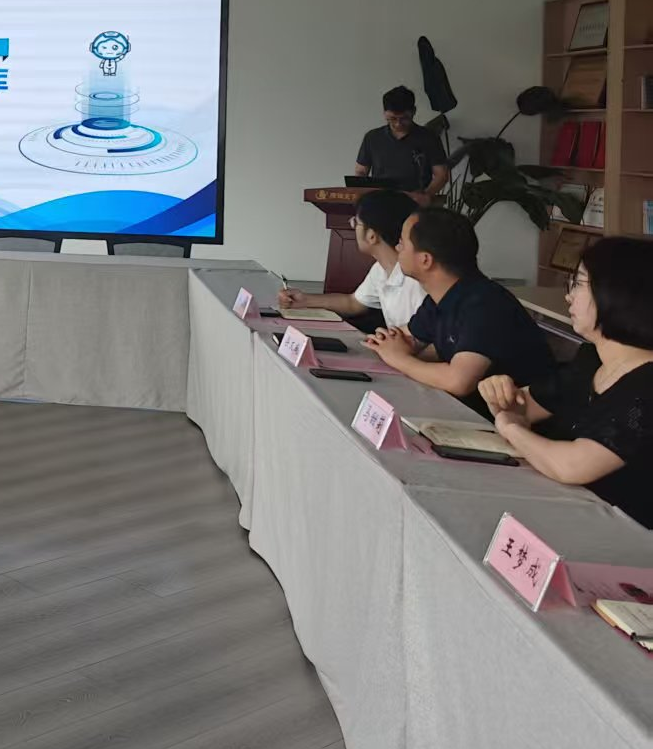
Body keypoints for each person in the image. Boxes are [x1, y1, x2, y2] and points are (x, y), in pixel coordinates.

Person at [479, 238, 653, 527]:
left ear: (618, 294)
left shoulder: (646, 385)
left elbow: (570, 466)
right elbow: (521, 406)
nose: (569, 296)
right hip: (565, 512)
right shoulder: (591, 360)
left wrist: (511, 427)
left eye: (579, 284)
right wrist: (498, 393)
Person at [363, 207, 556, 416]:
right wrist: (390, 346)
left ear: (425, 260)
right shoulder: (441, 298)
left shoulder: (485, 304)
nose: (397, 247)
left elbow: (458, 381)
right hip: (470, 412)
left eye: (402, 242)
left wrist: (398, 358)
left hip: (517, 423)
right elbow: (406, 339)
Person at [280, 189, 423, 330]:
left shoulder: (417, 281)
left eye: (356, 222)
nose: (352, 226)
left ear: (372, 236)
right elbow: (353, 303)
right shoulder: (380, 269)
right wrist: (304, 300)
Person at [353, 85, 448, 193]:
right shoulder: (372, 138)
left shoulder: (429, 138)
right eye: (392, 118)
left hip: (416, 199)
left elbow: (441, 175)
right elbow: (361, 171)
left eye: (404, 118)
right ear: (384, 113)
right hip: (380, 198)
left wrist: (426, 195)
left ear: (414, 111)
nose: (398, 124)